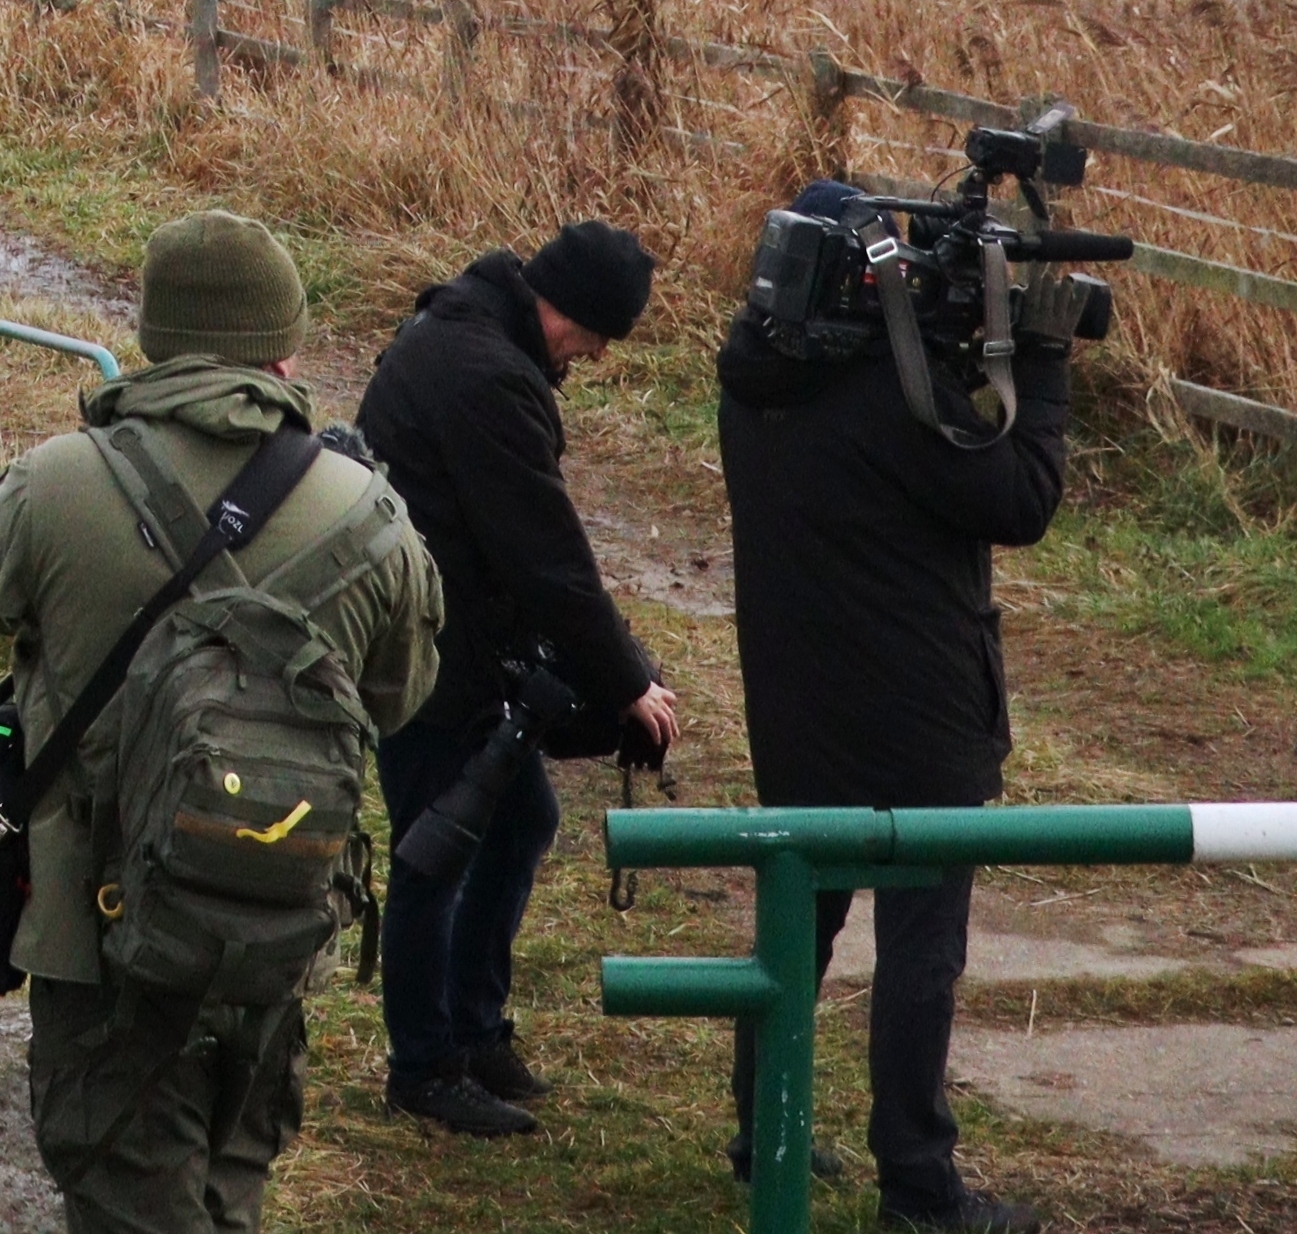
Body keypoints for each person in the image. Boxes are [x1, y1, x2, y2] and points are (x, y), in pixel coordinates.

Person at [2, 209, 443, 1233]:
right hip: (273, 911)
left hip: (95, 927)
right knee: (228, 1182)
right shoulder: (368, 511)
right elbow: (400, 699)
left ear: (153, 333)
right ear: (282, 344)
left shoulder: (52, 483)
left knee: (126, 1189)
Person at [717, 181, 1089, 1233]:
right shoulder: (897, 401)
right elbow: (1019, 498)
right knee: (922, 949)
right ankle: (917, 1181)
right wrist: (1038, 365)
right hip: (918, 715)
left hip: (796, 701)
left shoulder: (754, 381)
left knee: (798, 926)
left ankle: (764, 1127)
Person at [356, 221, 680, 1137]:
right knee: (433, 853)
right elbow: (546, 557)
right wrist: (627, 681)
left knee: (519, 819)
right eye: (595, 332)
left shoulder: (468, 330)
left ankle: (473, 1029)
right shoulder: (487, 376)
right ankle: (426, 1066)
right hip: (426, 650)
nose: (596, 352)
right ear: (559, 306)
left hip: (445, 634)